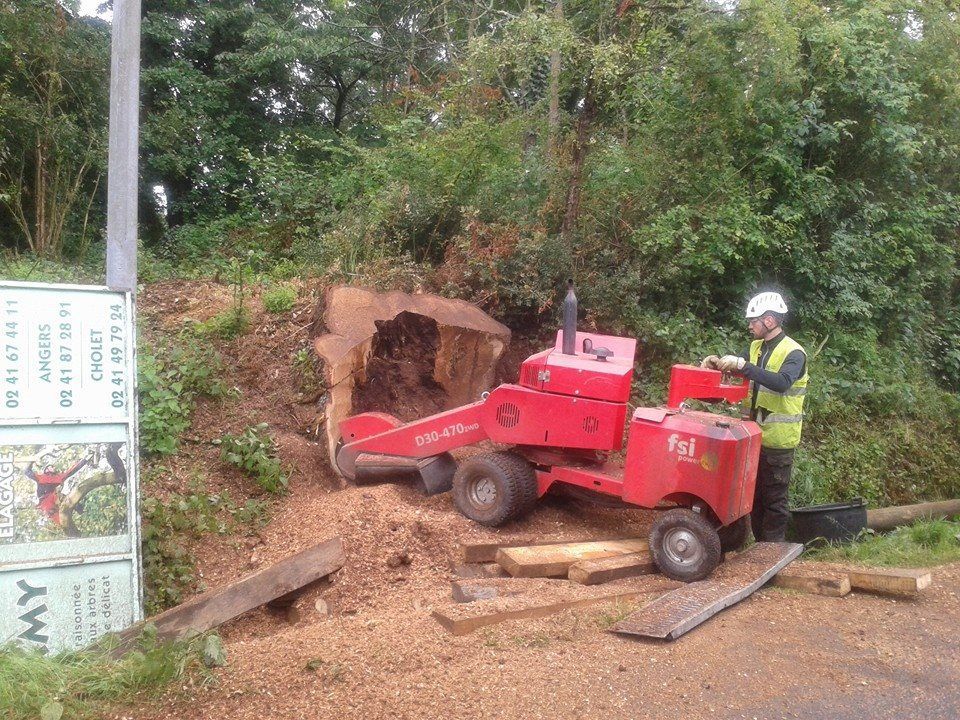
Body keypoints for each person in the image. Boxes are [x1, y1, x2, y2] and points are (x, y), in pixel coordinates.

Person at [701, 291, 808, 542]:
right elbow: (742, 372)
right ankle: (759, 551)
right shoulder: (756, 347)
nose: (750, 326)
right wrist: (717, 364)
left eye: (754, 321)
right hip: (753, 436)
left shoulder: (794, 353)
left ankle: (771, 555)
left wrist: (743, 366)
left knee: (774, 502)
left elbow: (782, 382)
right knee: (754, 498)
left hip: (778, 441)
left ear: (769, 321)